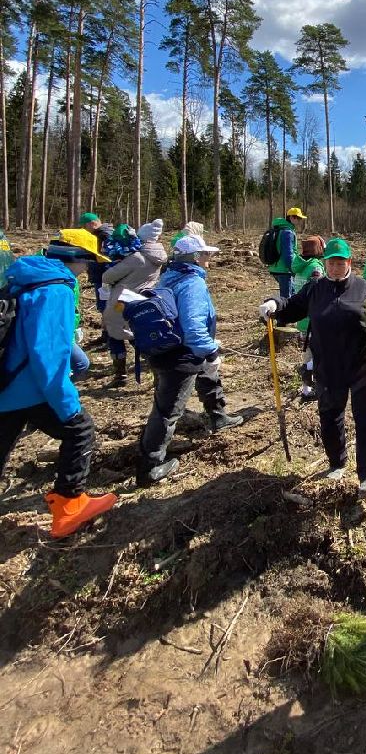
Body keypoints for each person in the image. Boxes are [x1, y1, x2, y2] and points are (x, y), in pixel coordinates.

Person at [0, 230, 117, 537]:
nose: (89, 269)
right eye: (89, 261)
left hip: (7, 384)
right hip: (29, 387)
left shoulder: (27, 276)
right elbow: (48, 357)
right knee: (80, 431)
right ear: (77, 258)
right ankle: (69, 507)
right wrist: (68, 405)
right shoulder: (56, 290)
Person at [260, 237, 366, 499]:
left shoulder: (365, 288)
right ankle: (337, 463)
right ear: (325, 263)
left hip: (362, 366)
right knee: (330, 417)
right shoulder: (315, 288)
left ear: (349, 262)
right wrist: (274, 304)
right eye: (331, 263)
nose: (335, 268)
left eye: (340, 263)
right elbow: (291, 307)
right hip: (328, 366)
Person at [137, 234, 244, 487]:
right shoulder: (192, 283)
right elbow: (193, 326)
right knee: (167, 411)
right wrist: (211, 350)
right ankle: (150, 466)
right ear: (195, 258)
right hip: (182, 356)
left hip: (169, 350)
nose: (209, 259)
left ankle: (217, 415)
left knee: (208, 375)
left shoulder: (168, 276)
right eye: (205, 254)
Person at [101, 220, 167, 385]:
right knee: (141, 337)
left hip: (123, 301)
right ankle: (158, 373)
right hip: (144, 301)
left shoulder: (137, 258)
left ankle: (120, 374)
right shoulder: (158, 256)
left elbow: (108, 277)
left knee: (117, 334)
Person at [291, 235, 326, 399]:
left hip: (303, 319)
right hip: (314, 320)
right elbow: (318, 292)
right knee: (317, 355)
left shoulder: (299, 265)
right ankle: (315, 385)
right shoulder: (315, 267)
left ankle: (306, 389)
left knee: (309, 353)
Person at [266, 208, 307, 298]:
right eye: (298, 218)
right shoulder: (287, 232)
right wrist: (293, 269)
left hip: (275, 268)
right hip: (284, 270)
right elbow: (288, 254)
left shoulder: (280, 229)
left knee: (291, 294)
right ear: (292, 217)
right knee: (287, 299)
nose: (300, 221)